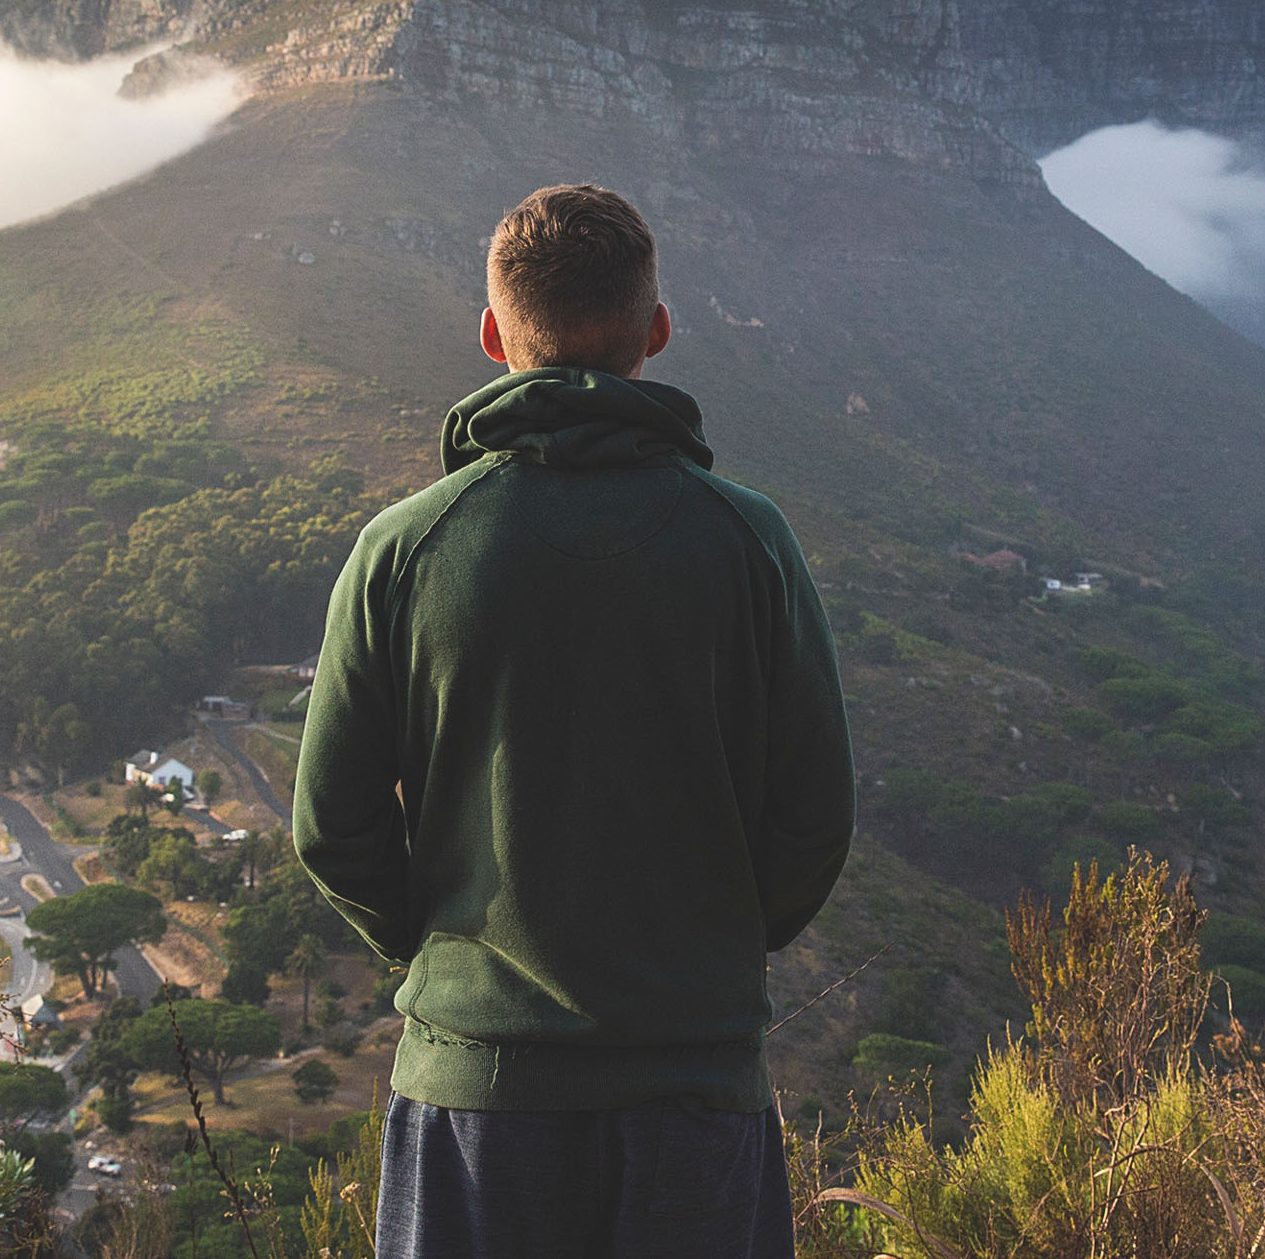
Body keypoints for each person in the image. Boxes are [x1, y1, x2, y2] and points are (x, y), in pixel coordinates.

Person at [294, 182, 856, 1259]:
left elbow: (332, 827)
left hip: (474, 1103)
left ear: (495, 333)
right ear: (656, 331)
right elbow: (814, 819)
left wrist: (445, 956)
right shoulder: (748, 542)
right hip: (696, 1089)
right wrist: (714, 949)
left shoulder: (406, 549)